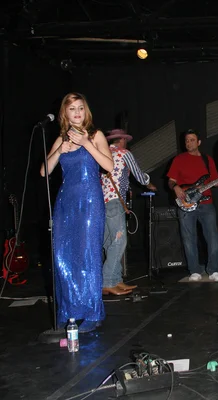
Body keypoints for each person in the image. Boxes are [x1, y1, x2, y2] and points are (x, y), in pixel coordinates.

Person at [40, 92, 114, 333]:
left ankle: (92, 312)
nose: (77, 113)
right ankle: (70, 310)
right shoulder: (61, 139)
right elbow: (44, 171)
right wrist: (60, 150)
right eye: (72, 109)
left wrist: (86, 145)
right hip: (66, 203)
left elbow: (109, 166)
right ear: (65, 113)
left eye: (81, 108)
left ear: (86, 111)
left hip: (90, 201)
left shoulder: (95, 135)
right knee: (63, 257)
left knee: (88, 256)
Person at [101, 129, 157, 295]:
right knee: (119, 242)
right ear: (123, 141)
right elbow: (139, 175)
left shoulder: (103, 153)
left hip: (101, 203)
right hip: (114, 202)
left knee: (109, 242)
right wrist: (148, 183)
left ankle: (116, 279)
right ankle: (107, 281)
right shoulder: (124, 153)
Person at [167, 129, 218, 282]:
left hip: (206, 203)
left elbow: (215, 180)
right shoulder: (179, 159)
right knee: (188, 238)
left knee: (212, 237)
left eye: (192, 140)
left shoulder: (208, 160)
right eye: (187, 140)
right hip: (185, 203)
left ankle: (214, 269)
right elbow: (171, 180)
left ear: (199, 142)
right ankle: (194, 270)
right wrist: (176, 187)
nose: (188, 143)